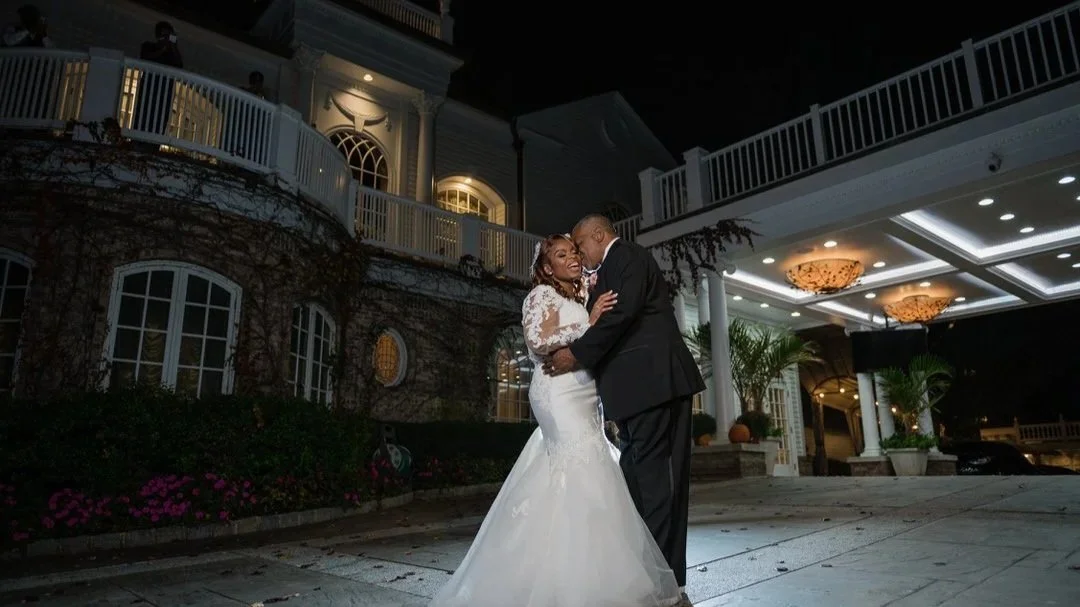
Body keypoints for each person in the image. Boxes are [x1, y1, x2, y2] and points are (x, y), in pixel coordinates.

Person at [429, 234, 681, 607]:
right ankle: (566, 582)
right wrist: (589, 323)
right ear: (547, 267)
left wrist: (588, 312)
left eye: (575, 253)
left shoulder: (576, 297)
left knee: (592, 470)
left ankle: (595, 573)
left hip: (584, 394)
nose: (573, 259)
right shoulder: (540, 297)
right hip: (557, 393)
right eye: (562, 255)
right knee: (579, 470)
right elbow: (536, 339)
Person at [545, 214, 706, 606]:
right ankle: (650, 576)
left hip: (654, 386)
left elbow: (621, 315)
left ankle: (666, 585)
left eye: (581, 246)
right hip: (642, 391)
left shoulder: (627, 257)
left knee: (657, 487)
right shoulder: (610, 269)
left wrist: (576, 355)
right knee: (636, 484)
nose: (580, 255)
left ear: (600, 235)